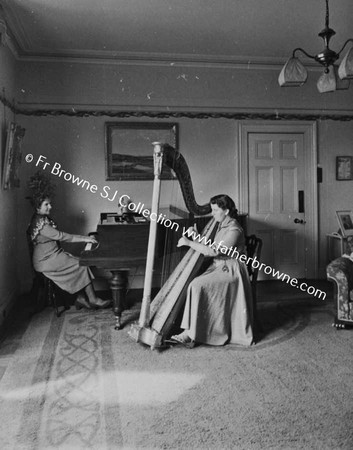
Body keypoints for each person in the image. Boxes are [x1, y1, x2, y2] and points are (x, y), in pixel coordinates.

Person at [170, 194, 254, 347]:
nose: (212, 213)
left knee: (196, 285)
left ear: (226, 211)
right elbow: (212, 245)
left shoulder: (234, 229)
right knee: (194, 283)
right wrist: (196, 237)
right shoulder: (222, 224)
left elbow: (214, 251)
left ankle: (191, 332)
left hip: (231, 271)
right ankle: (191, 330)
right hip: (219, 266)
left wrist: (189, 243)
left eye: (215, 210)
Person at [27, 194, 111, 310]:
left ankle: (80, 298)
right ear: (38, 207)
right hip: (46, 260)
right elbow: (62, 236)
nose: (50, 206)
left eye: (49, 203)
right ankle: (93, 299)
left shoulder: (42, 219)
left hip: (52, 255)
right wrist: (84, 238)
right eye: (46, 204)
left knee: (78, 262)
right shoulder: (41, 224)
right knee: (81, 265)